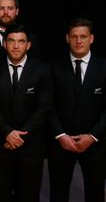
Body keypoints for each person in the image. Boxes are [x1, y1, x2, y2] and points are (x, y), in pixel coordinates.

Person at [0, 24, 51, 202]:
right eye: (12, 41)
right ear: (4, 44)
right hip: (0, 145)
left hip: (30, 146)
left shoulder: (42, 70)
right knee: (0, 194)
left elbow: (44, 107)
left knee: (29, 195)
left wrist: (20, 135)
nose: (16, 46)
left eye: (21, 41)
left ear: (28, 45)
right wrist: (7, 133)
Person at [48, 18, 106, 202]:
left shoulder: (105, 66)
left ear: (92, 38)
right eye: (74, 36)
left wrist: (93, 136)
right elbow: (46, 106)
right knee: (58, 194)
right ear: (67, 38)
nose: (78, 41)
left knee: (96, 194)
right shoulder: (53, 66)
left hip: (95, 143)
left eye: (83, 36)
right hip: (61, 143)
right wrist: (60, 135)